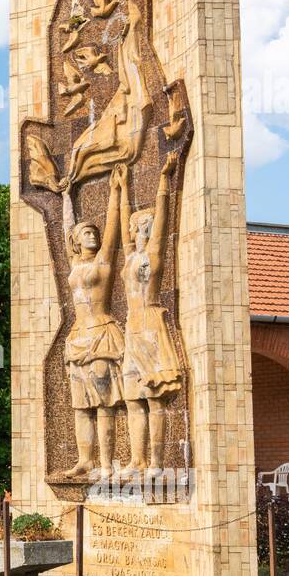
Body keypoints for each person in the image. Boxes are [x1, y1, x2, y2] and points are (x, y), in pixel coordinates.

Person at [117, 152, 183, 475]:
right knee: (132, 398)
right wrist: (123, 188)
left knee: (155, 398)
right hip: (132, 327)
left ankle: (156, 463)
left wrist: (163, 178)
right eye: (131, 226)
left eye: (138, 226)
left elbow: (163, 218)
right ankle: (137, 459)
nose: (132, 230)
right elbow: (121, 220)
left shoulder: (152, 252)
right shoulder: (129, 257)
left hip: (152, 325)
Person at [61, 164, 127, 477]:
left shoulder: (103, 260)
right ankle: (85, 460)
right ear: (76, 241)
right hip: (78, 338)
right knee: (80, 405)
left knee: (104, 403)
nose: (93, 234)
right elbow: (66, 227)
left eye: (94, 232)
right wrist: (66, 195)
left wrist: (115, 192)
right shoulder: (74, 261)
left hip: (102, 335)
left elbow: (112, 229)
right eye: (86, 232)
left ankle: (106, 463)